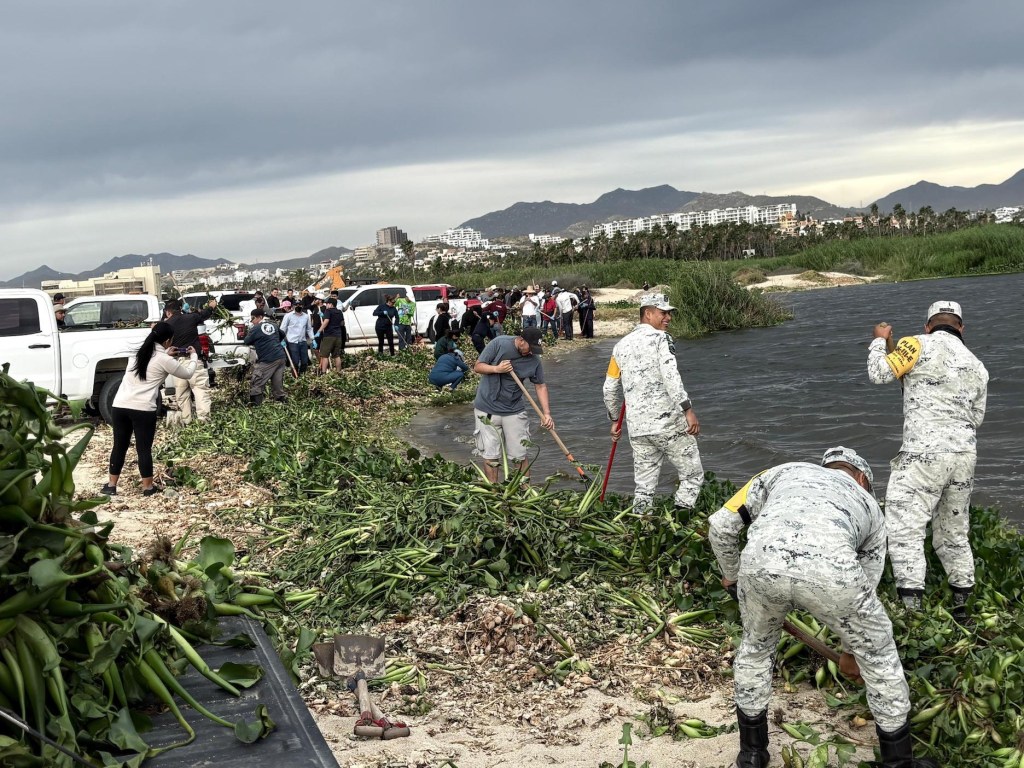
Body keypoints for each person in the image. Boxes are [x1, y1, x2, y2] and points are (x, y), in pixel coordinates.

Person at [708, 448, 936, 768]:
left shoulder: (780, 472)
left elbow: (720, 526)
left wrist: (732, 577)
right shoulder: (870, 505)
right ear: (861, 478)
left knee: (756, 650)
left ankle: (752, 753)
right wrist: (851, 652)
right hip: (832, 573)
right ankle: (899, 762)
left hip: (760, 563)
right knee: (881, 656)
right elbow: (865, 585)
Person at [868, 301, 989, 616]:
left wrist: (880, 340)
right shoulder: (977, 365)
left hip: (922, 455)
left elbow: (880, 372)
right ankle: (962, 607)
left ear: (928, 326)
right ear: (961, 328)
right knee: (954, 530)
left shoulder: (914, 344)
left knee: (905, 528)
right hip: (964, 455)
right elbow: (975, 418)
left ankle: (913, 611)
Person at [602, 293, 703, 515]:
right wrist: (687, 409)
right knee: (692, 475)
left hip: (637, 428)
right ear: (648, 314)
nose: (668, 318)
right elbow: (670, 375)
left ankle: (641, 528)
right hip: (667, 422)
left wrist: (614, 420)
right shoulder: (661, 339)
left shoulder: (619, 346)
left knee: (645, 487)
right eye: (663, 313)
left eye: (669, 313)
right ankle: (680, 524)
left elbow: (609, 388)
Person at [103, 321, 199, 497]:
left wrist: (167, 354)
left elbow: (152, 363)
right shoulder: (165, 360)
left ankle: (111, 485)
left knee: (119, 446)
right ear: (168, 340)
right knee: (143, 449)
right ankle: (147, 487)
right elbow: (187, 374)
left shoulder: (137, 354)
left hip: (120, 405)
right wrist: (194, 357)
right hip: (142, 408)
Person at [472, 328, 553, 484]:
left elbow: (540, 385)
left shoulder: (534, 359)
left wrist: (546, 413)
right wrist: (497, 369)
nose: (532, 353)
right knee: (490, 455)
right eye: (531, 348)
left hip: (514, 410)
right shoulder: (499, 343)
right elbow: (478, 366)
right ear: (521, 340)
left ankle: (525, 492)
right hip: (487, 408)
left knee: (519, 455)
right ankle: (494, 491)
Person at [164, 296, 218, 423]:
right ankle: (203, 421)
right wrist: (211, 307)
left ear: (167, 312)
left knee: (182, 394)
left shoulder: (166, 325)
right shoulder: (191, 317)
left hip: (177, 363)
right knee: (200, 391)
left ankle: (187, 421)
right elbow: (204, 314)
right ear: (181, 308)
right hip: (194, 361)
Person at [243, 308, 286, 405]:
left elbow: (246, 341)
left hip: (268, 359)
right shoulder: (273, 325)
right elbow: (282, 334)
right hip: (280, 356)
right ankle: (281, 401)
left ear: (260, 317)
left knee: (257, 379)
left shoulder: (255, 329)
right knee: (277, 381)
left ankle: (255, 403)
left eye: (253, 319)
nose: (252, 321)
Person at [280, 302, 313, 374]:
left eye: (300, 305)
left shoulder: (306, 316)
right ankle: (295, 376)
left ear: (302, 306)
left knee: (305, 361)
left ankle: (302, 376)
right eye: (296, 305)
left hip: (303, 341)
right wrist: (281, 339)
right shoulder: (288, 316)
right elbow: (283, 329)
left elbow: (309, 329)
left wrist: (313, 339)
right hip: (292, 342)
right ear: (293, 306)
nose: (298, 306)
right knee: (295, 361)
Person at [318, 297, 346, 373]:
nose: (326, 305)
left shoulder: (328, 311)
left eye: (327, 303)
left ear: (331, 304)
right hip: (338, 335)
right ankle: (338, 372)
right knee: (336, 355)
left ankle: (323, 373)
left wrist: (319, 331)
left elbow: (326, 321)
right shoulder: (339, 312)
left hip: (329, 336)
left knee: (325, 355)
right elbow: (342, 323)